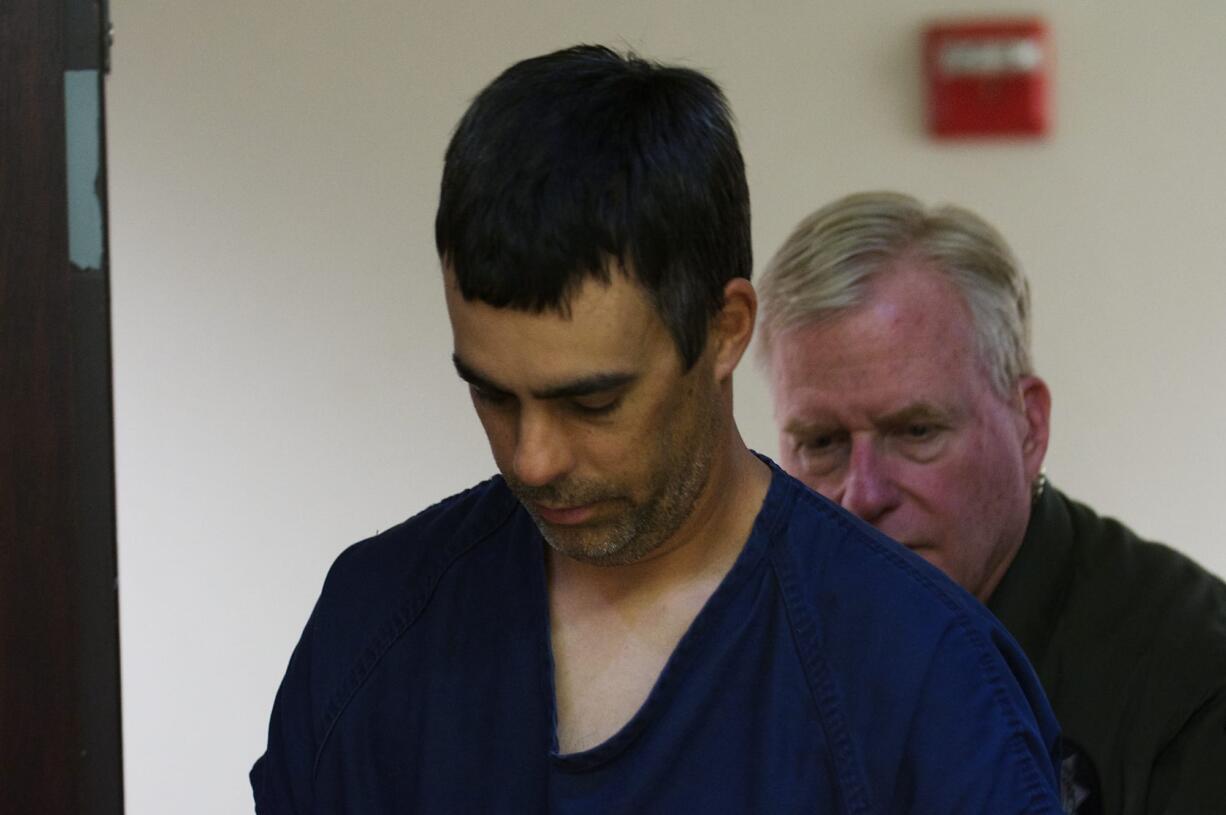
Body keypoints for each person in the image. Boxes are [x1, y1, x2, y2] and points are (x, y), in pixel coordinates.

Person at [251, 50, 1065, 813]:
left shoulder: (924, 680)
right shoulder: (376, 625)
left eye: (593, 403)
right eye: (494, 397)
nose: (533, 459)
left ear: (724, 330)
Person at [758, 190, 1226, 815]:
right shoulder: (748, 657)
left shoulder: (1193, 685)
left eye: (916, 432)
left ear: (1029, 426)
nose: (862, 495)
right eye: (821, 443)